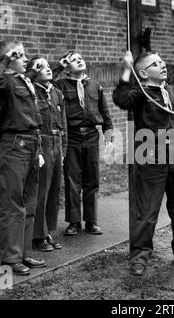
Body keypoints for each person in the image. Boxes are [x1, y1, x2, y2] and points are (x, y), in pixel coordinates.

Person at [112, 51, 174, 276]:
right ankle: (140, 256)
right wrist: (126, 69)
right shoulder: (141, 92)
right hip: (151, 157)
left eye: (162, 62)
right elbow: (121, 99)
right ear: (143, 73)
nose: (162, 65)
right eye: (156, 64)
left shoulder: (173, 90)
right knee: (147, 210)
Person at [0, 40, 46, 275]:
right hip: (15, 145)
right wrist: (5, 59)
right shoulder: (6, 81)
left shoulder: (23, 81)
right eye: (19, 55)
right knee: (13, 204)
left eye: (24, 54)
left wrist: (39, 149)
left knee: (29, 202)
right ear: (8, 59)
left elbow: (33, 114)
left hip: (32, 143)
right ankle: (11, 259)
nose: (25, 58)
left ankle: (23, 253)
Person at [53, 51, 114, 236]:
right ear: (66, 67)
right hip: (71, 137)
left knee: (92, 179)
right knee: (72, 180)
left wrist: (109, 137)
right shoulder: (60, 85)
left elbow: (105, 113)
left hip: (91, 137)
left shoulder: (95, 85)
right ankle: (73, 221)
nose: (79, 60)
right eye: (73, 60)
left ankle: (91, 220)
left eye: (80, 58)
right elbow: (46, 81)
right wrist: (60, 65)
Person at [26, 56, 67, 251]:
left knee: (54, 190)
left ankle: (48, 231)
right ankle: (37, 236)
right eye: (40, 66)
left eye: (48, 65)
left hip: (57, 142)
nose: (47, 68)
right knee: (41, 190)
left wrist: (64, 149)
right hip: (43, 142)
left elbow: (63, 121)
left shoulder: (57, 93)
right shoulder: (32, 92)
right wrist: (39, 150)